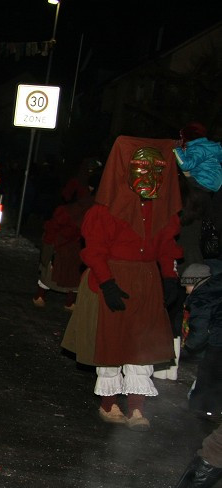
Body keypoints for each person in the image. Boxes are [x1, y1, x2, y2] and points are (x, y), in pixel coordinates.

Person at [61, 136, 182, 430]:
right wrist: (107, 283)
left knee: (143, 343)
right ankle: (109, 402)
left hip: (146, 281)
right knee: (112, 344)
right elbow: (94, 250)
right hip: (112, 279)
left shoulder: (161, 210)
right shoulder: (105, 210)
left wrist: (168, 276)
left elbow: (167, 245)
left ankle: (137, 407)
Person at [32, 160, 99, 311]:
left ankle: (69, 301)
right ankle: (40, 295)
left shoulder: (95, 200)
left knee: (74, 269)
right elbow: (66, 197)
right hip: (65, 230)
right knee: (53, 267)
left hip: (77, 237)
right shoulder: (77, 184)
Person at [179, 261, 222, 417]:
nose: (185, 291)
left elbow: (200, 328)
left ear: (195, 282)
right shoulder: (216, 289)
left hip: (218, 341)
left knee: (208, 371)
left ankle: (201, 408)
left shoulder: (201, 297)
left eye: (186, 286)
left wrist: (189, 347)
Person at [173, 122, 221, 220]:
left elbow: (186, 165)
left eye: (182, 137)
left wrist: (176, 149)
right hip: (213, 182)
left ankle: (178, 214)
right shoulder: (208, 146)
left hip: (203, 181)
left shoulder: (198, 148)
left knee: (176, 184)